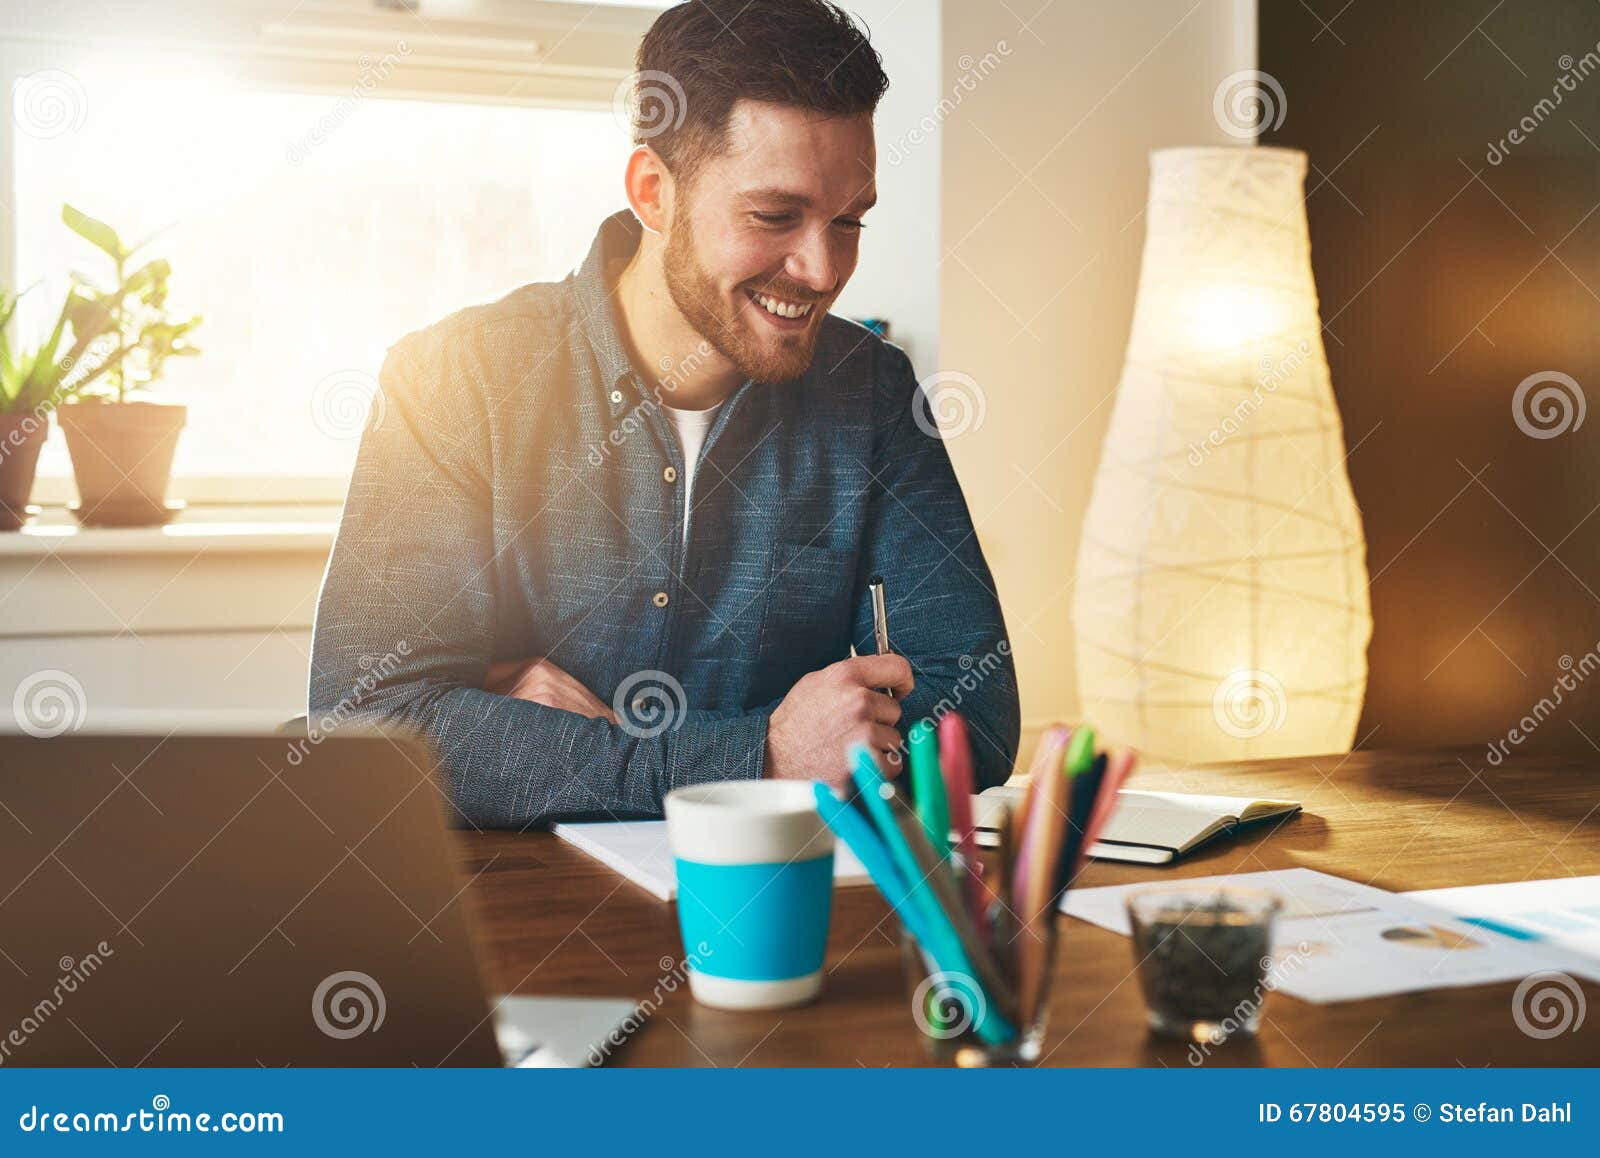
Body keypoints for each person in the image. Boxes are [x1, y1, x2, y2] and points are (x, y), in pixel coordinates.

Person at [310, 0, 1019, 826]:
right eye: (774, 216)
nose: (824, 269)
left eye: (849, 220)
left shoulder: (872, 395)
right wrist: (765, 753)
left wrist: (540, 742)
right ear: (654, 190)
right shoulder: (453, 378)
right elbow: (368, 730)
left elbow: (980, 715)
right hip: (508, 919)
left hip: (781, 912)